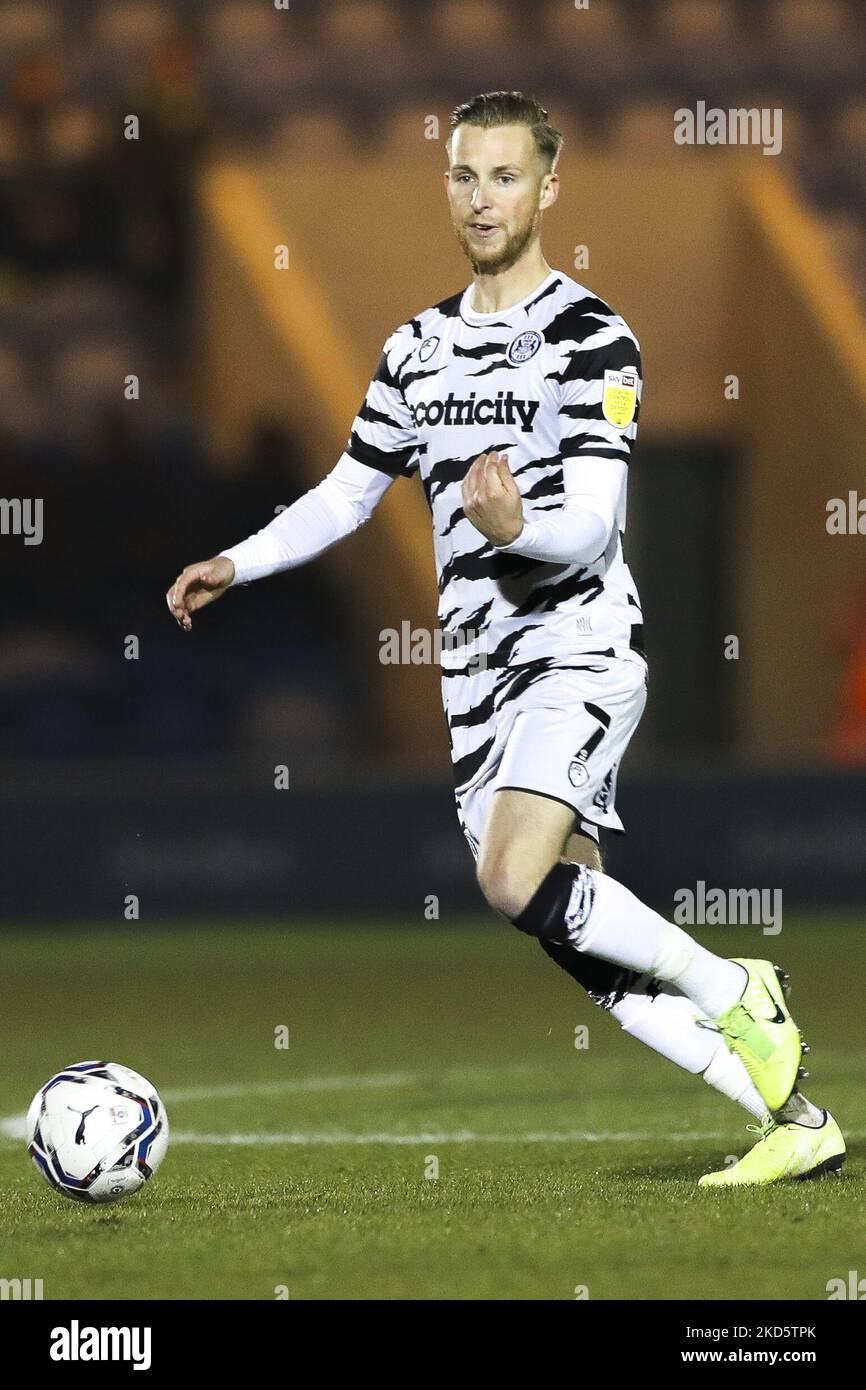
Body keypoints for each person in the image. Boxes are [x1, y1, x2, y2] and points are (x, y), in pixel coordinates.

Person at [167, 90, 843, 1186]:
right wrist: (237, 561)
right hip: (474, 676)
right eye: (464, 176)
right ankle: (793, 1121)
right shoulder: (416, 348)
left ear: (546, 189)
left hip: (573, 645)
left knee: (504, 875)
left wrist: (513, 525)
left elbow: (593, 522)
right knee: (566, 929)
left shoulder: (591, 336)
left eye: (504, 177)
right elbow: (347, 495)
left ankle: (735, 990)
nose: (482, 199)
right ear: (448, 185)